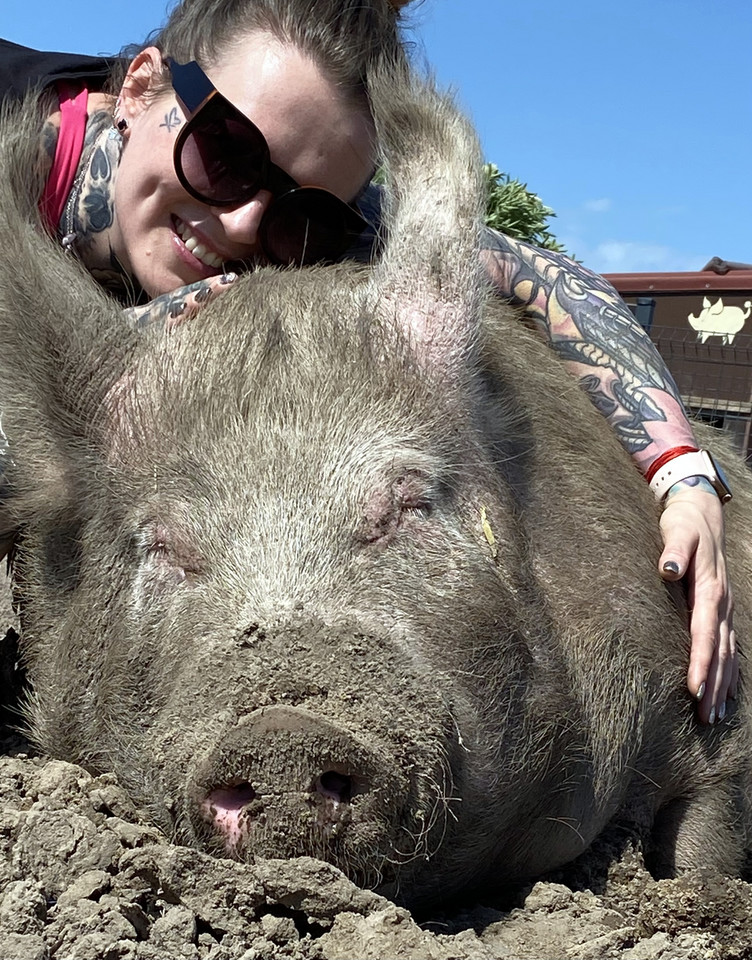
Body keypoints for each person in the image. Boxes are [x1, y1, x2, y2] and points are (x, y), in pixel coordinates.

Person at [0, 0, 736, 724]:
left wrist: (684, 476)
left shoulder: (319, 225)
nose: (243, 224)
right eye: (225, 150)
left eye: (298, 213)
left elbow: (545, 279)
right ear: (140, 86)